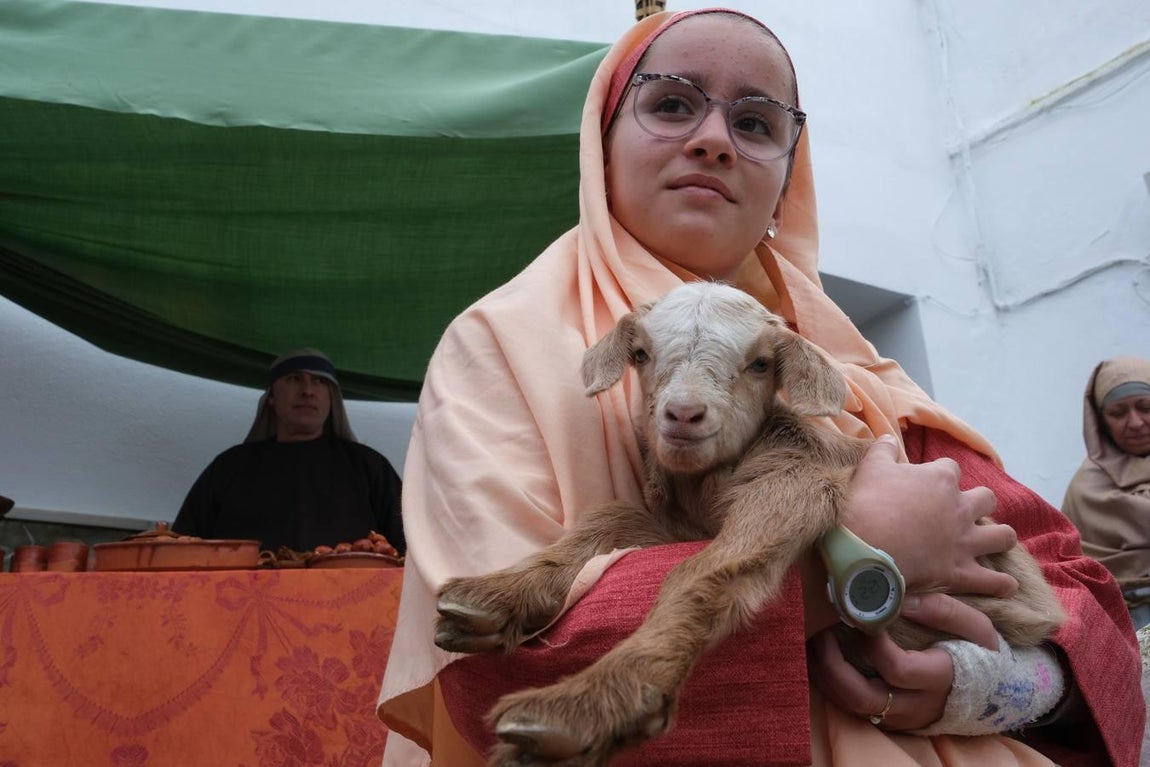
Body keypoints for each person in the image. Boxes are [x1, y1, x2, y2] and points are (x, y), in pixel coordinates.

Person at [378, 9, 1140, 767]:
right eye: (671, 104)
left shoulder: (865, 375)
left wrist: (993, 684)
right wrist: (846, 566)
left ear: (786, 177)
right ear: (602, 145)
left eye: (755, 121)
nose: (712, 139)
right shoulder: (501, 346)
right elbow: (486, 680)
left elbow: (1084, 611)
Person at [173, 348, 405, 554]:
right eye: (294, 379)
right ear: (271, 397)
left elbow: (412, 546)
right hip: (244, 599)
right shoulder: (228, 469)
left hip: (353, 599)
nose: (307, 390)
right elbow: (182, 548)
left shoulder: (369, 468)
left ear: (331, 398)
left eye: (319, 381)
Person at [1063, 356, 1150, 630]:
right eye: (1118, 413)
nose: (1135, 423)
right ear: (1101, 422)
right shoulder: (1085, 489)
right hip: (1125, 626)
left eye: (1145, 407)